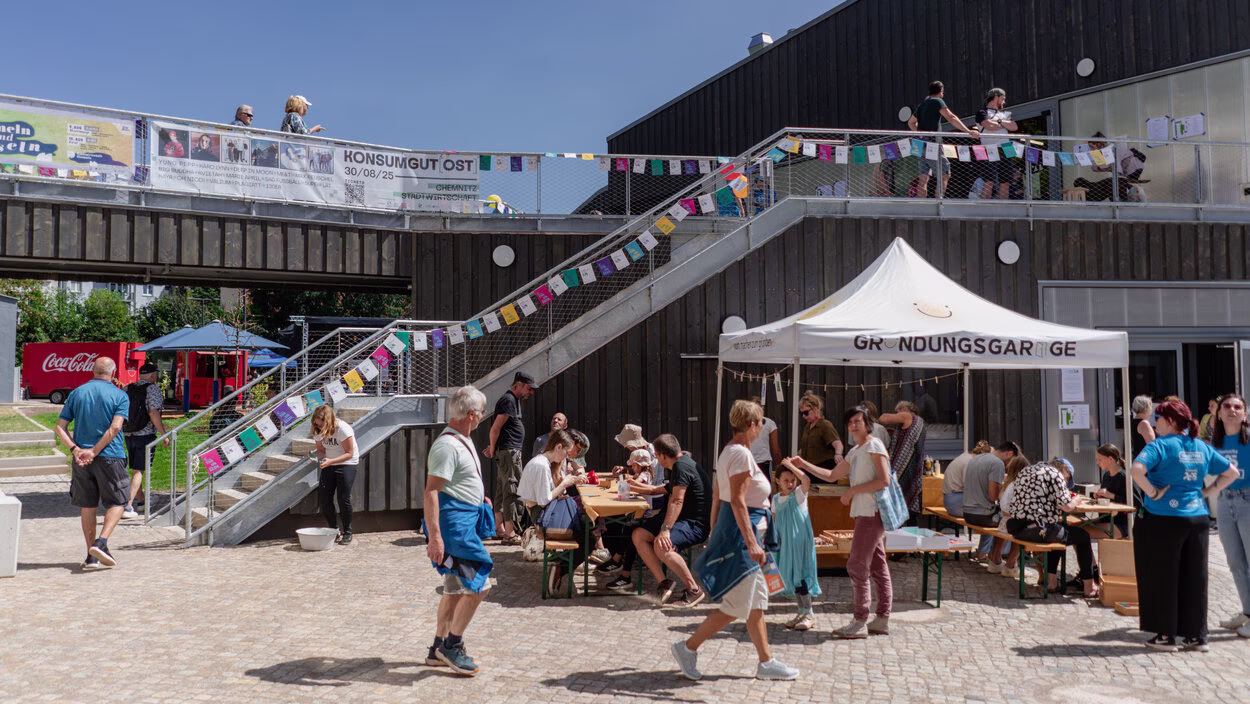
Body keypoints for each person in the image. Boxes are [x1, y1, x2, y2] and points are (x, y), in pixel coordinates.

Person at [672, 399, 798, 681]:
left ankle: (766, 662)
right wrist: (751, 543)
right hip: (745, 539)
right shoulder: (739, 455)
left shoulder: (732, 452)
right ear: (752, 425)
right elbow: (738, 502)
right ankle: (687, 647)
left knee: (756, 603)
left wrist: (716, 531)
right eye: (760, 423)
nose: (761, 428)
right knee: (738, 606)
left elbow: (720, 497)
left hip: (746, 535)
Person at [1132, 399, 1240, 651]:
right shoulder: (1199, 446)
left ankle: (1166, 635)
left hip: (1163, 518)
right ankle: (1197, 636)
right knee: (1195, 577)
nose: (1153, 423)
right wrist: (1208, 492)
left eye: (1157, 418)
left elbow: (1136, 469)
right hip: (1197, 517)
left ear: (1169, 421)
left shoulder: (1161, 445)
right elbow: (1232, 472)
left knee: (1163, 575)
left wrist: (1153, 492)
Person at [788, 405, 893, 638]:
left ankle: (860, 621)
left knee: (856, 565)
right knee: (877, 565)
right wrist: (803, 464)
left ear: (867, 423)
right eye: (851, 422)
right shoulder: (856, 451)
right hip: (864, 513)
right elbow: (832, 475)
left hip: (872, 512)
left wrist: (853, 490)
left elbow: (884, 480)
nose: (854, 425)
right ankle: (882, 619)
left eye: (858, 421)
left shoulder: (874, 445)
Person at [423, 385, 493, 676]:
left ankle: (437, 648)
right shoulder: (447, 446)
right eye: (482, 412)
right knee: (480, 580)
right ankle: (452, 645)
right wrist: (436, 537)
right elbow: (431, 492)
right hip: (455, 527)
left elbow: (456, 482)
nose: (482, 417)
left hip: (464, 520)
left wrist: (479, 497)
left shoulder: (461, 440)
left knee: (453, 589)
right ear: (472, 414)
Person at [52, 357, 130, 570]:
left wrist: (76, 450)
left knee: (87, 505)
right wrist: (94, 451)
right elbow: (115, 429)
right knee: (118, 501)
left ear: (93, 371)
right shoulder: (120, 395)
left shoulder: (77, 393)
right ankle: (101, 542)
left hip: (81, 460)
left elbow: (60, 427)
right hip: (110, 456)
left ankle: (91, 557)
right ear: (113, 373)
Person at [625, 434, 711, 608]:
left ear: (663, 455)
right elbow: (659, 489)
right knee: (639, 534)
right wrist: (633, 486)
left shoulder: (681, 467)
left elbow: (677, 500)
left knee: (661, 544)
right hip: (682, 519)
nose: (656, 459)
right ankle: (664, 583)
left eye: (656, 456)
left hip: (695, 524)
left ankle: (694, 590)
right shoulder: (680, 464)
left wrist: (665, 529)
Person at [1007, 459, 1101, 597]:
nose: (1065, 482)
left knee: (1059, 530)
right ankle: (1089, 586)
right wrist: (1077, 500)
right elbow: (1067, 507)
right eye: (1066, 478)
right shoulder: (1054, 474)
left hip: (1019, 529)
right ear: (1065, 469)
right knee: (1082, 536)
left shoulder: (1026, 470)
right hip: (1038, 530)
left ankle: (1051, 581)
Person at [518, 429, 586, 595]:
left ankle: (558, 568)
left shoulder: (541, 462)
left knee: (585, 526)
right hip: (541, 516)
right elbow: (544, 501)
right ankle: (558, 568)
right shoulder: (541, 465)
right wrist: (565, 483)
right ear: (558, 447)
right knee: (587, 534)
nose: (566, 457)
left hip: (539, 511)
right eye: (566, 452)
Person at [1211, 393, 1250, 638]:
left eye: (1238, 407)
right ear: (1219, 412)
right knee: (1235, 562)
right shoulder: (1216, 442)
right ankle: (1247, 612)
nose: (1232, 410)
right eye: (1227, 406)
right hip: (1225, 502)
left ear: (1245, 414)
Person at [484, 371, 538, 544]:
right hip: (509, 453)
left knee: (502, 490)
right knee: (512, 491)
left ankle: (499, 529)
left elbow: (501, 431)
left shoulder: (511, 400)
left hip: (506, 451)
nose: (531, 392)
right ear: (519, 385)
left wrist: (494, 448)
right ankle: (509, 533)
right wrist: (493, 450)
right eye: (529, 388)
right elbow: (495, 428)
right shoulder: (508, 400)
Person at [770, 461, 822, 631]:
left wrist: (792, 467)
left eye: (793, 480)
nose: (790, 484)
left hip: (800, 544)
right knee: (792, 576)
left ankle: (809, 613)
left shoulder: (799, 495)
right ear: (777, 481)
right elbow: (776, 521)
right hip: (786, 544)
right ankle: (801, 611)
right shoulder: (776, 499)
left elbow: (806, 481)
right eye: (786, 480)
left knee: (801, 575)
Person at [906, 80, 978, 198]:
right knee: (944, 174)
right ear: (941, 91)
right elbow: (951, 117)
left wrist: (920, 133)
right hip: (932, 142)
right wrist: (968, 131)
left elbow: (911, 123)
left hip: (919, 143)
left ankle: (921, 206)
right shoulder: (937, 101)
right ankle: (939, 204)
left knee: (923, 177)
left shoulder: (922, 105)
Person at [121, 362, 168, 519]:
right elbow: (153, 413)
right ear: (153, 375)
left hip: (128, 433)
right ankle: (128, 506)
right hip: (145, 435)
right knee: (138, 470)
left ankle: (141, 502)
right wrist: (163, 434)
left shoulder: (127, 388)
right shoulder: (153, 389)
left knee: (135, 469)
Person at [963, 441, 1020, 568]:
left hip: (967, 513)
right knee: (1016, 522)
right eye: (1012, 462)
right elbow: (993, 496)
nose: (1010, 466)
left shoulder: (975, 459)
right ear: (1009, 453)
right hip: (983, 516)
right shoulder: (997, 463)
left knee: (1005, 519)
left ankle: (995, 556)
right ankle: (1003, 561)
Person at [310, 405, 359, 545]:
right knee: (325, 499)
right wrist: (313, 456)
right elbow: (320, 450)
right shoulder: (317, 429)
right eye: (316, 424)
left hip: (347, 463)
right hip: (329, 463)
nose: (318, 426)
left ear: (328, 420)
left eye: (320, 423)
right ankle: (334, 529)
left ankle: (348, 532)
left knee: (343, 498)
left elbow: (349, 453)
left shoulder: (342, 428)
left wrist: (331, 461)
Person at [879, 400, 928, 518]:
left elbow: (883, 418)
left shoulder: (908, 416)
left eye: (899, 411)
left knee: (900, 505)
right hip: (913, 471)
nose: (897, 414)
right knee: (909, 509)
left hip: (902, 471)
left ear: (906, 409)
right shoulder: (919, 422)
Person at [976, 88, 1018, 200]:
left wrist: (998, 122)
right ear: (996, 97)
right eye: (1002, 99)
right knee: (989, 180)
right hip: (990, 147)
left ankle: (1004, 208)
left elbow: (1014, 126)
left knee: (1006, 181)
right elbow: (989, 126)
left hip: (1007, 147)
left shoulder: (1005, 113)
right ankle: (985, 209)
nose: (1004, 102)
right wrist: (1004, 124)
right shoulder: (982, 112)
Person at [995, 455, 1031, 580]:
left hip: (1005, 523)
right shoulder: (1015, 485)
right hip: (1010, 522)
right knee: (1025, 533)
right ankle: (1010, 565)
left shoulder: (1008, 484)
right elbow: (1005, 508)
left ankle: (1005, 563)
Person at [797, 391, 843, 481]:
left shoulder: (825, 425)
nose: (803, 416)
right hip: (809, 469)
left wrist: (838, 454)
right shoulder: (807, 427)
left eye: (806, 413)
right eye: (801, 413)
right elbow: (803, 448)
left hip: (823, 469)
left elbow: (837, 443)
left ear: (815, 409)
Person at [942, 440, 992, 518]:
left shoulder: (966, 457)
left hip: (951, 499)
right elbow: (970, 487)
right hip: (956, 501)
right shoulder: (969, 462)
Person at [1094, 443, 1133, 538]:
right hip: (1106, 520)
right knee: (1077, 528)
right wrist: (1098, 496)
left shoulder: (1125, 477)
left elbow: (1135, 503)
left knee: (1081, 532)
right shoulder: (1106, 475)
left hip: (1121, 525)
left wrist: (1112, 495)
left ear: (1110, 459)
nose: (1097, 462)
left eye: (1100, 459)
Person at [749, 397, 782, 475]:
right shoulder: (769, 423)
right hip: (764, 464)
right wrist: (779, 465)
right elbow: (775, 449)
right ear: (762, 408)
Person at [1131, 395, 1156, 459]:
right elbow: (1152, 446)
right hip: (1146, 461)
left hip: (1137, 458)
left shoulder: (1132, 423)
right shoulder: (1144, 424)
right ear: (1147, 407)